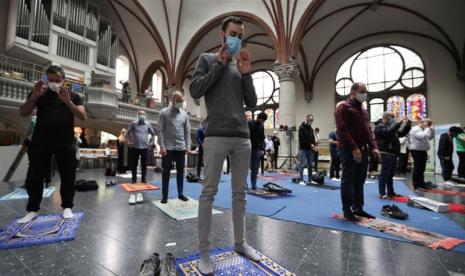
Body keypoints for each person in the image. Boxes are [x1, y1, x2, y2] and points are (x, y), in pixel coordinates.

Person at [190, 16, 260, 274]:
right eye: (233, 34)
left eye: (240, 35)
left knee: (240, 194)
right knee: (208, 193)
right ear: (222, 35)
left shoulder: (240, 64)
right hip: (216, 134)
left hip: (242, 136)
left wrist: (247, 74)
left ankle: (240, 243)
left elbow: (251, 103)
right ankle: (204, 252)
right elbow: (196, 90)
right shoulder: (207, 59)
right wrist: (218, 65)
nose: (237, 39)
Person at [18, 65, 87, 223]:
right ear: (46, 79)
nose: (54, 83)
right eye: (51, 80)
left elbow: (82, 116)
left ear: (64, 81)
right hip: (41, 140)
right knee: (34, 176)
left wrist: (68, 102)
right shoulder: (40, 94)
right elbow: (23, 112)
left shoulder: (75, 96)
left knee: (68, 175)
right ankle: (32, 209)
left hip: (65, 141)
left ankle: (67, 206)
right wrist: (35, 96)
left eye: (57, 80)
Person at [335, 82, 380, 222]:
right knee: (348, 181)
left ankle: (358, 208)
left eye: (366, 91)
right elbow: (342, 129)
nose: (365, 94)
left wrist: (374, 146)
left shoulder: (364, 110)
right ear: (353, 92)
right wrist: (354, 148)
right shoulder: (343, 107)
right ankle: (347, 211)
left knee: (360, 180)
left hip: (363, 149)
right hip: (349, 149)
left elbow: (368, 131)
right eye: (362, 91)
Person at [158, 91, 192, 204]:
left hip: (181, 147)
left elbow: (187, 131)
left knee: (180, 172)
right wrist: (162, 146)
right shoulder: (163, 112)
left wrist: (188, 146)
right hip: (167, 147)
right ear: (172, 100)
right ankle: (165, 195)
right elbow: (160, 130)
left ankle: (180, 193)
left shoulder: (184, 114)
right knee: (166, 172)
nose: (180, 103)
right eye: (178, 101)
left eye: (181, 101)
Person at [374, 112, 411, 198]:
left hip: (393, 152)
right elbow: (388, 132)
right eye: (393, 117)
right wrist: (398, 123)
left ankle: (390, 192)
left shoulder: (389, 126)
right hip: (386, 152)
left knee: (390, 174)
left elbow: (401, 133)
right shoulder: (380, 126)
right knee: (384, 173)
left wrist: (408, 125)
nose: (394, 118)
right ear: (387, 117)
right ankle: (382, 193)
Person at [126, 110, 156, 204]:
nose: (141, 115)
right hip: (135, 147)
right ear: (137, 115)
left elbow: (153, 133)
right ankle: (134, 178)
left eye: (143, 114)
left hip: (145, 147)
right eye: (140, 114)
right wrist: (128, 142)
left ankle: (143, 178)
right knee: (134, 164)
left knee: (144, 164)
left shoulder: (148, 124)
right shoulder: (133, 123)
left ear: (145, 115)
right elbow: (127, 133)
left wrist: (151, 143)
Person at [409, 118, 435, 189]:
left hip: (423, 151)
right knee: (417, 168)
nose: (428, 125)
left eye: (429, 124)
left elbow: (430, 137)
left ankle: (421, 184)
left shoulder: (424, 129)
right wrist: (427, 128)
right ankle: (416, 185)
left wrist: (432, 130)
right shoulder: (414, 129)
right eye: (427, 123)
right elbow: (421, 136)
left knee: (422, 169)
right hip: (416, 150)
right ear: (422, 122)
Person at [249, 112, 267, 189]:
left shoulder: (262, 126)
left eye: (264, 121)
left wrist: (262, 149)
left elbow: (262, 138)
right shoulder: (249, 123)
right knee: (244, 168)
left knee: (255, 169)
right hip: (248, 149)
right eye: (262, 120)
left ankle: (253, 184)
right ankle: (243, 184)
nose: (263, 122)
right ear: (258, 118)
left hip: (257, 150)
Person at [298, 114, 317, 185]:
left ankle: (310, 179)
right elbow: (302, 139)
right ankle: (301, 180)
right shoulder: (301, 127)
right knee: (302, 165)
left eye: (312, 120)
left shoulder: (311, 129)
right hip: (303, 149)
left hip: (310, 149)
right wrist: (310, 144)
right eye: (310, 120)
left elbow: (313, 138)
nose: (311, 121)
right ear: (307, 119)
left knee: (310, 165)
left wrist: (314, 146)